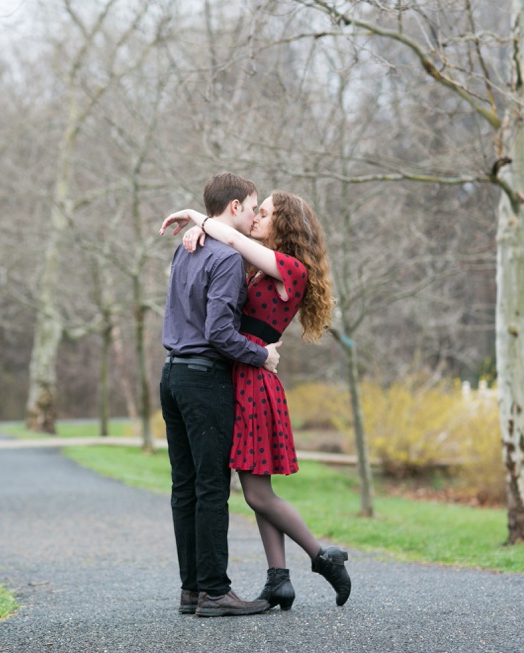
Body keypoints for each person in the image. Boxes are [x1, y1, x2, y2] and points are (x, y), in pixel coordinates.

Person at [160, 191, 352, 609]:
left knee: (257, 492)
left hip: (253, 381)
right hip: (240, 372)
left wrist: (198, 216)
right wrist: (200, 232)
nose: (256, 218)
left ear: (285, 224)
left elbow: (235, 241)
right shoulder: (258, 269)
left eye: (264, 213)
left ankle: (323, 557)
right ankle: (278, 578)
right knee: (254, 485)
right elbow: (228, 251)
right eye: (255, 210)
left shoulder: (291, 269)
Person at [160, 172, 282, 618]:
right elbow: (219, 333)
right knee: (212, 487)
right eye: (252, 207)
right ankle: (215, 591)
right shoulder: (227, 259)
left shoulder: (187, 247)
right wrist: (261, 355)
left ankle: (191, 590)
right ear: (234, 208)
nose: (253, 216)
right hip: (203, 380)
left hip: (171, 376)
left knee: (185, 487)